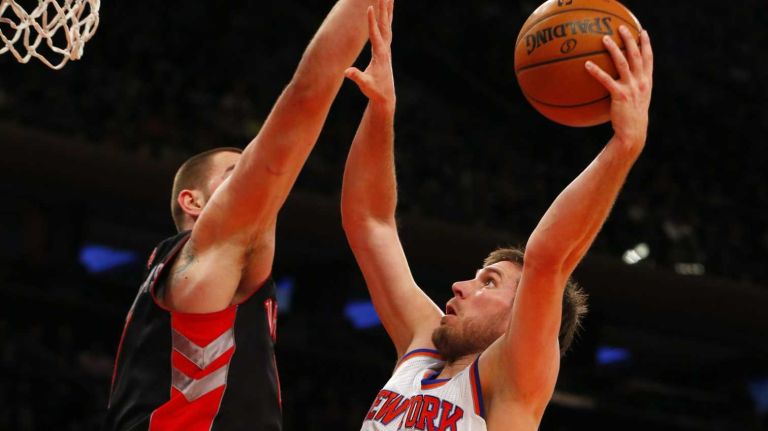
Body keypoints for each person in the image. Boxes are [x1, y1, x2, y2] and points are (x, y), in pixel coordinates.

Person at [341, 2, 654, 429]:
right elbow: (368, 222)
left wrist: (623, 149)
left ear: (521, 316)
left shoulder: (509, 381)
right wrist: (380, 109)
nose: (459, 286)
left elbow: (548, 260)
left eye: (489, 282)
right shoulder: (421, 345)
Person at [103, 0, 378, 429]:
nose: (250, 180)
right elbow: (306, 96)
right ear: (192, 202)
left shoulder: (186, 276)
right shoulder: (210, 252)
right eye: (235, 174)